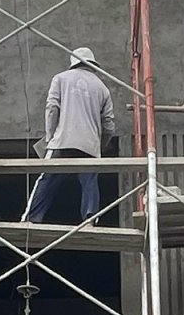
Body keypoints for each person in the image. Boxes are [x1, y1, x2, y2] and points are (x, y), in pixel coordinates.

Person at [26, 48, 116, 226]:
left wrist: (50, 137)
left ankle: (32, 219)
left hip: (62, 141)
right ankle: (90, 220)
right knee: (90, 183)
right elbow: (109, 125)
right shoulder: (102, 88)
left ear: (73, 63)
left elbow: (52, 109)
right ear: (92, 64)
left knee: (47, 179)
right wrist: (100, 145)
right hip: (89, 145)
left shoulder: (60, 78)